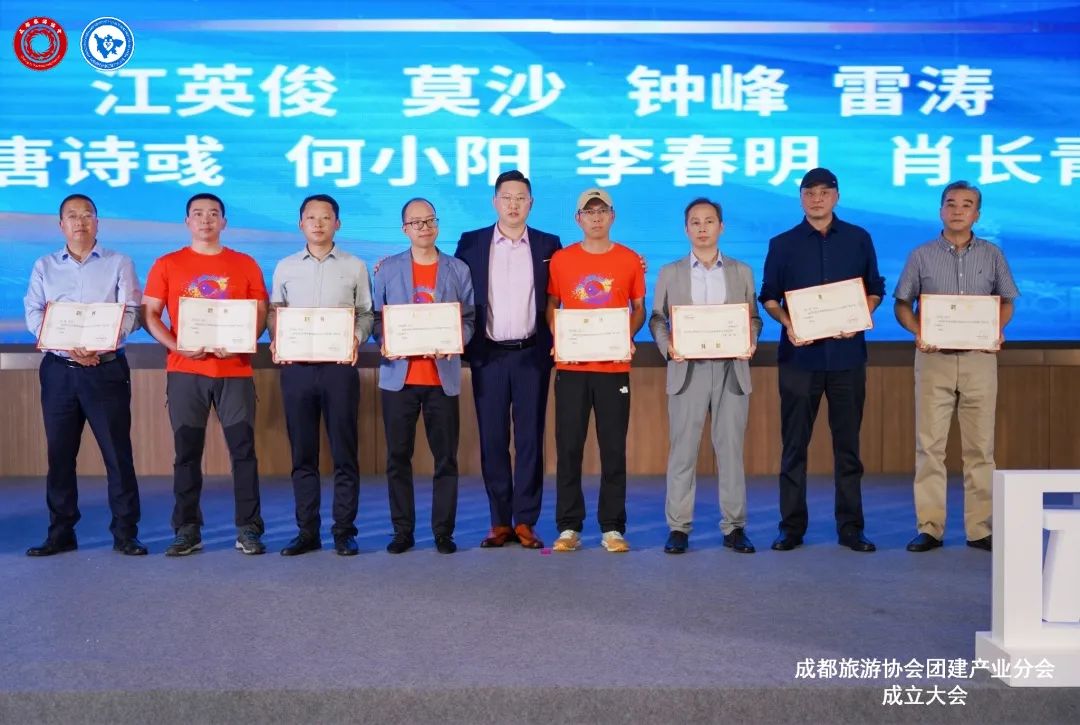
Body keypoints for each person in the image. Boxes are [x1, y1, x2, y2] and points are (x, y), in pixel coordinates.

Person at [759, 168, 885, 553]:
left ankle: (851, 527)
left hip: (847, 358)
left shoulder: (859, 238)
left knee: (847, 448)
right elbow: (769, 296)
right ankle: (791, 527)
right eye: (809, 192)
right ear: (801, 198)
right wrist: (788, 323)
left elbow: (875, 289)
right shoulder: (783, 244)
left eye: (824, 192)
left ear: (836, 196)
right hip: (799, 359)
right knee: (794, 447)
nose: (817, 198)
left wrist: (859, 317)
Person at [893, 181, 1019, 553]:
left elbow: (1006, 301)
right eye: (951, 203)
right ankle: (929, 528)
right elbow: (902, 304)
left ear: (977, 214)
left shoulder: (993, 255)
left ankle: (980, 528)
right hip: (934, 359)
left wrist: (996, 329)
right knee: (929, 446)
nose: (958, 210)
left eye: (967, 205)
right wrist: (918, 332)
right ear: (940, 211)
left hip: (980, 360)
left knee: (980, 448)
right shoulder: (921, 255)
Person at [142, 193, 269, 556]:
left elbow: (261, 312)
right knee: (186, 453)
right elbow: (150, 314)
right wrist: (176, 345)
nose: (206, 220)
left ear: (224, 222)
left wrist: (242, 340)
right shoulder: (167, 263)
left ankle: (248, 528)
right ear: (187, 222)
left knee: (243, 452)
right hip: (186, 371)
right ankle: (187, 529)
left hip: (235, 370)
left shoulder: (244, 263)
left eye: (213, 214)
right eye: (198, 214)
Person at [23, 194, 146, 556]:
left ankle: (125, 533)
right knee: (60, 455)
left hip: (105, 369)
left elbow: (133, 313)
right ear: (61, 224)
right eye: (72, 216)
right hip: (59, 371)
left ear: (97, 222)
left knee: (117, 454)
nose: (80, 222)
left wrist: (100, 342)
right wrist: (66, 344)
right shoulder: (45, 265)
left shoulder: (119, 262)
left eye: (87, 215)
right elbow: (33, 313)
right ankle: (61, 532)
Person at [454, 170, 561, 550]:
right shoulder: (471, 242)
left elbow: (568, 287)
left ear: (531, 203)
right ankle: (500, 521)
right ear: (495, 202)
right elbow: (449, 283)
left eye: (521, 198)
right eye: (507, 197)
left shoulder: (549, 244)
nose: (513, 204)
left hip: (532, 355)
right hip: (489, 356)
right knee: (493, 439)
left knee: (530, 439)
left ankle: (526, 520)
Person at [649, 197, 762, 555]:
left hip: (731, 370)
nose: (702, 228)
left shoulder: (742, 271)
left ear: (721, 227)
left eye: (709, 221)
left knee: (730, 451)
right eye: (695, 222)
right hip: (687, 370)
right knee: (683, 452)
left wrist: (751, 339)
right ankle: (678, 527)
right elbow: (657, 318)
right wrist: (668, 347)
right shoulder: (670, 272)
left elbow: (753, 317)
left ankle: (735, 527)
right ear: (686, 229)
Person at [269, 194, 374, 557]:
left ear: (337, 223)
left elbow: (366, 313)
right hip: (296, 369)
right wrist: (277, 337)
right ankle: (307, 532)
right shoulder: (284, 267)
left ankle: (344, 531)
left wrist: (355, 338)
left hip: (339, 369)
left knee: (345, 452)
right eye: (311, 217)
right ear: (301, 224)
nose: (318, 223)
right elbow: (276, 311)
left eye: (325, 217)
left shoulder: (355, 266)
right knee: (303, 454)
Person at [545, 188, 646, 553]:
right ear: (578, 219)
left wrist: (625, 335)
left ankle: (612, 527)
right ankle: (569, 526)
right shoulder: (561, 259)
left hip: (613, 367)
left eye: (602, 210)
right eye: (589, 212)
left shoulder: (630, 259)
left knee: (613, 449)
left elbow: (638, 308)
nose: (596, 217)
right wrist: (559, 335)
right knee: (569, 448)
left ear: (612, 216)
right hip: (572, 366)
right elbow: (553, 302)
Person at [373, 198, 475, 555]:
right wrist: (385, 340)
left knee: (445, 459)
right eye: (416, 222)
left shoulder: (458, 269)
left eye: (430, 220)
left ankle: (443, 532)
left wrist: (456, 340)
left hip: (441, 378)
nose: (424, 227)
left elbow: (469, 319)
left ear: (438, 224)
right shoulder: (387, 269)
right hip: (398, 378)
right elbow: (376, 318)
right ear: (405, 229)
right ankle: (402, 531)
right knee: (397, 459)